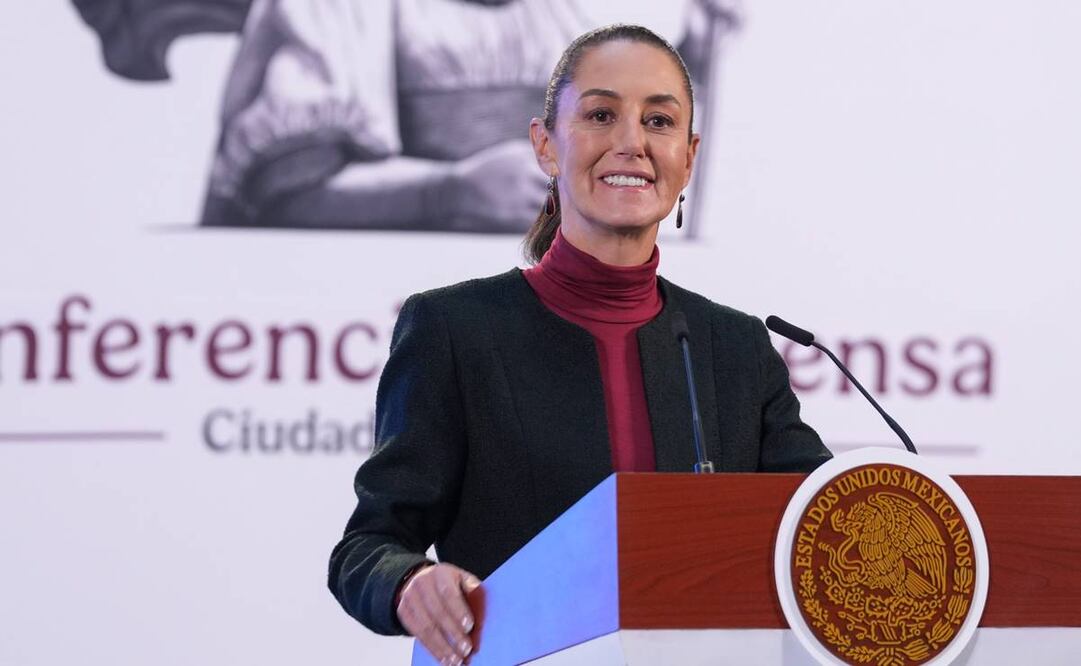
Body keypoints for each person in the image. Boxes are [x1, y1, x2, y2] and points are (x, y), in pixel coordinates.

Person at [327, 24, 831, 665]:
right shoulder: (454, 329)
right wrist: (408, 582)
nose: (631, 143)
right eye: (600, 114)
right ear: (545, 146)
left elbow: (823, 523)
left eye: (658, 121)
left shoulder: (734, 347)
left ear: (689, 156)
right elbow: (367, 546)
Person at [199, 0, 738, 231]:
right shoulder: (341, 9)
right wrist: (449, 191)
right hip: (375, 317)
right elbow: (284, 191)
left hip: (566, 317)